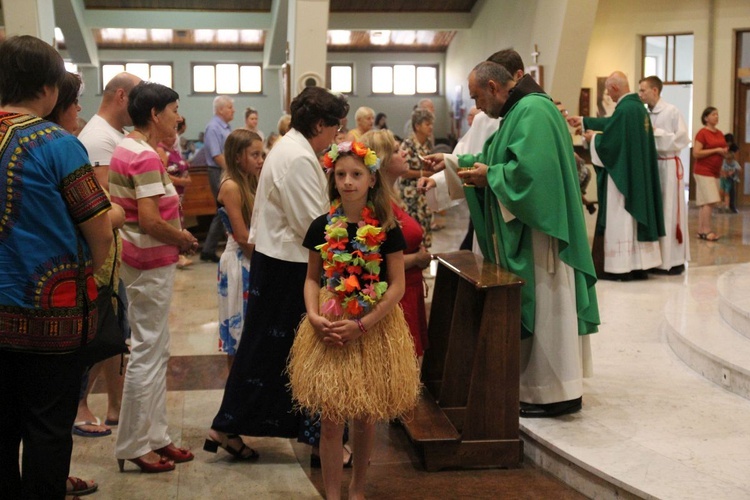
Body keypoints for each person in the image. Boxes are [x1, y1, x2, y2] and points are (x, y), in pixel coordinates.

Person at [423, 61, 599, 418]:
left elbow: (531, 177)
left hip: (540, 235)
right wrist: (452, 163)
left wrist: (493, 176)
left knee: (550, 308)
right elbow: (494, 159)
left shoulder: (532, 111)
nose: (477, 106)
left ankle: (552, 392)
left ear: (492, 86)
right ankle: (540, 389)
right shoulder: (520, 111)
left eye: (477, 97)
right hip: (532, 228)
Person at [205, 86, 349, 461]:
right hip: (291, 267)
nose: (337, 134)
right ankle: (322, 441)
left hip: (282, 262)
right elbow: (312, 225)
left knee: (266, 352)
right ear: (320, 124)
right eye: (335, 126)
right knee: (296, 354)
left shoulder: (294, 148)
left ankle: (226, 426)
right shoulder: (297, 157)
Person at [0, 35, 113, 500]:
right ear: (49, 89)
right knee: (47, 431)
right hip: (52, 319)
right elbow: (99, 231)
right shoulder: (57, 143)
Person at [287, 140, 420, 500]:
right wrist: (314, 316)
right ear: (333, 179)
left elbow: (396, 285)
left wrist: (365, 323)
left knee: (365, 416)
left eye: (356, 174)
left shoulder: (387, 228)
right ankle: (332, 494)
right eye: (341, 174)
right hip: (330, 322)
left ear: (372, 180)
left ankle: (358, 489)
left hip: (373, 323)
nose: (348, 181)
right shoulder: (321, 227)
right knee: (331, 419)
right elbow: (313, 278)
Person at [110, 82, 199, 473]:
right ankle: (132, 443)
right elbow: (148, 220)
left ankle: (156, 435)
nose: (177, 117)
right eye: (173, 109)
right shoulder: (143, 156)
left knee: (157, 348)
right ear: (154, 114)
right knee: (147, 351)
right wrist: (182, 237)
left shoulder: (130, 147)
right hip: (148, 262)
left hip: (142, 260)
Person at [45, 69, 124, 498]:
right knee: (49, 418)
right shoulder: (61, 146)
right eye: (74, 102)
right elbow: (99, 219)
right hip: (52, 297)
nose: (79, 109)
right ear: (50, 95)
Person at [75, 71, 141, 437]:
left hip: (120, 247)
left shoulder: (114, 135)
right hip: (106, 249)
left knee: (114, 330)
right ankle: (79, 404)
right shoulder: (99, 137)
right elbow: (102, 202)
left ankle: (117, 406)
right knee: (101, 330)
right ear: (121, 96)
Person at [568, 71, 665, 280]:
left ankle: (621, 267)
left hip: (623, 177)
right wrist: (585, 121)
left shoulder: (626, 109)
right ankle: (637, 266)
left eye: (608, 91)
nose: (608, 96)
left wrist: (593, 139)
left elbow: (612, 143)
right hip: (636, 175)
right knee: (632, 221)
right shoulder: (636, 108)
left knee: (620, 215)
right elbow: (613, 126)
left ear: (614, 88)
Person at [362, 129, 431, 361]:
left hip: (408, 290)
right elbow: (374, 259)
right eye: (395, 150)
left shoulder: (392, 197)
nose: (403, 153)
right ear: (381, 161)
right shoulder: (375, 206)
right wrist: (416, 260)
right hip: (394, 296)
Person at [216, 129, 263, 369]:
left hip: (250, 255)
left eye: (261, 154)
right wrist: (267, 263)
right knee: (239, 331)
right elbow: (242, 236)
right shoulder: (232, 186)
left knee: (252, 330)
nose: (260, 160)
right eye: (254, 154)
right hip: (240, 259)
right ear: (236, 157)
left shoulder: (249, 181)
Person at [637, 76, 691, 273]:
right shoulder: (644, 113)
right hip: (652, 166)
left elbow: (683, 138)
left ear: (655, 91)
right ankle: (655, 259)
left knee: (670, 212)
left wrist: (657, 134)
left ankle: (672, 260)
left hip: (668, 166)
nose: (640, 94)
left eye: (643, 90)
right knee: (656, 211)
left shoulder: (671, 111)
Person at [78, 72, 142, 190]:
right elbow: (107, 194)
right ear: (122, 96)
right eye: (139, 100)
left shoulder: (122, 134)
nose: (142, 108)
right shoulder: (97, 136)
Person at [201, 95, 235, 263]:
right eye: (229, 107)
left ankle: (209, 248)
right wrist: (233, 171)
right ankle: (208, 249)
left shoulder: (225, 127)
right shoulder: (213, 127)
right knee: (224, 208)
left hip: (223, 170)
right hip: (218, 170)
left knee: (224, 210)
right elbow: (216, 155)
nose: (233, 110)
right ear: (220, 109)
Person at [398, 107, 435, 247]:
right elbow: (404, 171)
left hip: (425, 192)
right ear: (417, 126)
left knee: (425, 222)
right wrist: (425, 174)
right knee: (413, 226)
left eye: (431, 124)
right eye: (427, 124)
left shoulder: (428, 143)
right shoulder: (408, 145)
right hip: (411, 193)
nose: (430, 127)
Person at [692, 106, 728, 241]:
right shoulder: (702, 133)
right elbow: (696, 153)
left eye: (717, 114)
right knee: (710, 201)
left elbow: (721, 150)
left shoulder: (719, 133)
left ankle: (701, 231)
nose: (716, 117)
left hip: (715, 171)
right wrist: (716, 150)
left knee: (704, 203)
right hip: (703, 171)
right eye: (713, 115)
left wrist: (723, 153)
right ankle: (707, 231)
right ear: (706, 118)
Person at [158, 132, 193, 268]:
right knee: (173, 221)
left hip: (180, 193)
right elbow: (163, 174)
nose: (173, 137)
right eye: (170, 134)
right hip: (171, 191)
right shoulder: (161, 150)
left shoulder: (175, 151)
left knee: (180, 221)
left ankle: (179, 252)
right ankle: (177, 255)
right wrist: (181, 181)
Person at [720, 135, 741, 213]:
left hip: (732, 171)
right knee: (722, 190)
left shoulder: (735, 148)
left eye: (729, 143)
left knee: (731, 189)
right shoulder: (722, 147)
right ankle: (722, 205)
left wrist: (733, 170)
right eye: (726, 142)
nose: (728, 144)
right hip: (724, 171)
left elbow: (736, 161)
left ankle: (731, 206)